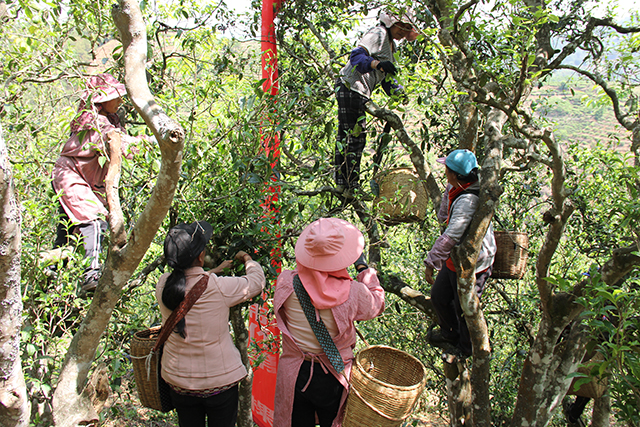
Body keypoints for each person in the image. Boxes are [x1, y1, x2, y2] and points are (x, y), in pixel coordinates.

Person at [273, 217, 385, 427]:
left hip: (295, 374)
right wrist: (363, 268)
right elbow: (377, 303)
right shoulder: (354, 293)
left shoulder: (286, 282)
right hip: (334, 375)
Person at [156, 220, 265, 427]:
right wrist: (247, 258)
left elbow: (189, 285)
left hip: (179, 382)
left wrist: (215, 270)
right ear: (199, 256)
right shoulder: (220, 287)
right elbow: (256, 282)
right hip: (219, 384)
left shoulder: (163, 284)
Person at [50, 73, 147, 293]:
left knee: (68, 232)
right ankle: (90, 275)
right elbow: (121, 146)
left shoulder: (109, 119)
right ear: (101, 100)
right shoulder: (94, 121)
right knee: (93, 221)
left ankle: (52, 278)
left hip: (82, 179)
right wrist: (147, 143)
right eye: (116, 97)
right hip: (71, 177)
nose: (120, 101)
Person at [334, 10, 418, 194]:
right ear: (391, 22)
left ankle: (343, 183)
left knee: (350, 136)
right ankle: (349, 185)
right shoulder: (378, 33)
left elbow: (386, 79)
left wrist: (399, 94)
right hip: (351, 86)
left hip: (357, 91)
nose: (403, 32)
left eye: (407, 29)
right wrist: (376, 64)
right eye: (401, 27)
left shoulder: (390, 46)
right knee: (354, 137)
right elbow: (356, 57)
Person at [424, 149, 496, 358]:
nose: (445, 174)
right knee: (439, 296)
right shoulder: (460, 185)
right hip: (455, 258)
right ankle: (449, 333)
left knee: (464, 308)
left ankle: (466, 349)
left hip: (474, 262)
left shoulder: (468, 201)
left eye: (447, 171)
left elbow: (451, 235)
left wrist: (431, 262)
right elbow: (446, 210)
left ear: (455, 175)